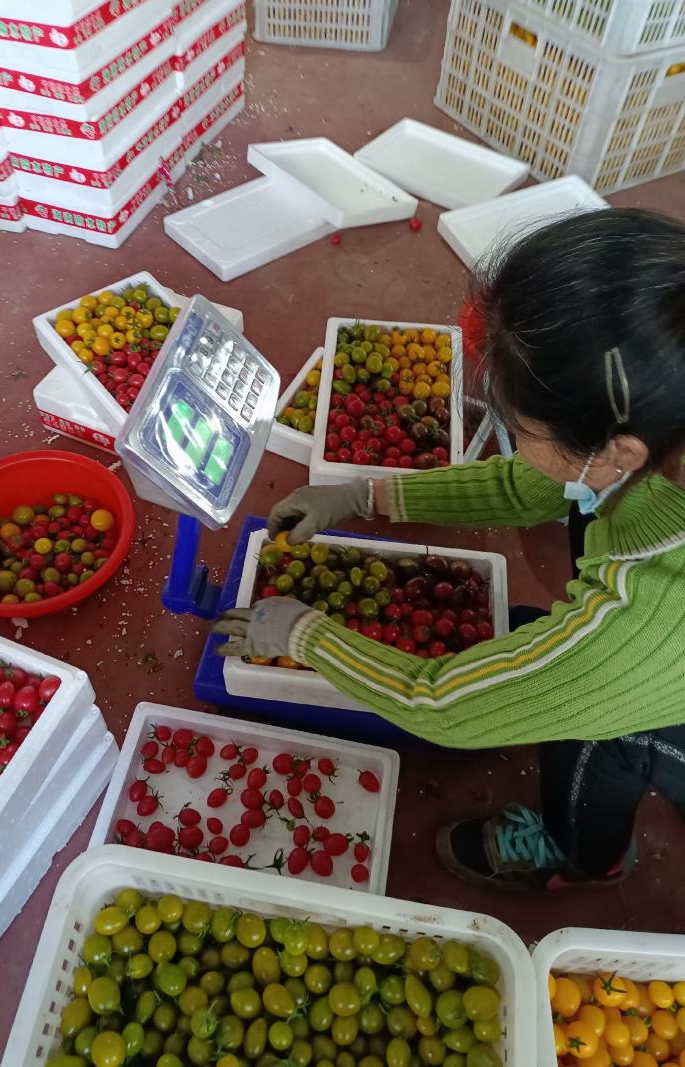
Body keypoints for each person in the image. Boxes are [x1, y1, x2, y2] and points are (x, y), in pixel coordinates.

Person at [212, 208, 685, 893]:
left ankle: (583, 855)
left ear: (619, 453)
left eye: (521, 427)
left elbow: (443, 706)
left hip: (667, 687)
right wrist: (365, 496)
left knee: (605, 735)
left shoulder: (651, 609)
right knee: (568, 662)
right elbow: (531, 484)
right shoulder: (658, 417)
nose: (512, 442)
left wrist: (305, 634)